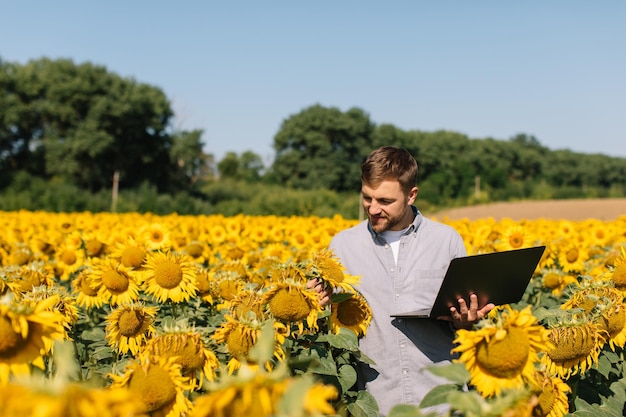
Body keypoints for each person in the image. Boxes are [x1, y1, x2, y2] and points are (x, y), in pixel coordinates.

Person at [315, 146, 494, 416]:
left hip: (443, 399)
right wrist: (314, 303)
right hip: (377, 402)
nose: (372, 209)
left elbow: (467, 326)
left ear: (411, 195)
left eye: (385, 201)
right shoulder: (342, 246)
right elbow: (332, 323)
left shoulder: (446, 241)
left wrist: (467, 320)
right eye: (367, 198)